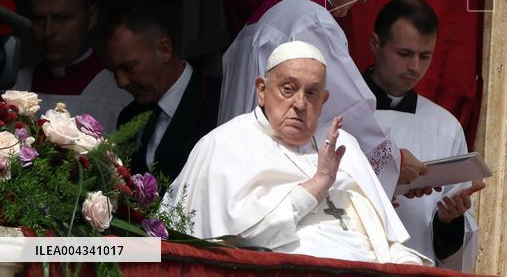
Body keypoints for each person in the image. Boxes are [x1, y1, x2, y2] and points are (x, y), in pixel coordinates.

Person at [167, 41, 430, 265]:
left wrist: (407, 263)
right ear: (261, 90)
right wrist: (317, 185)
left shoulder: (343, 144)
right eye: (288, 89)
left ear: (323, 100)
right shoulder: (225, 144)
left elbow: (381, 237)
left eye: (312, 93)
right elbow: (239, 243)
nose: (300, 104)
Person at [217, 0, 426, 196]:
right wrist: (393, 163)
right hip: (274, 183)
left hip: (235, 174)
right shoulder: (308, 19)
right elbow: (345, 110)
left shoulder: (267, 16)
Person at [365, 0, 483, 271]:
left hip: (417, 263)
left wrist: (449, 222)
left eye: (425, 56)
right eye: (404, 54)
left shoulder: (444, 126)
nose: (415, 67)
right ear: (375, 44)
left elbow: (456, 247)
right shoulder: (340, 110)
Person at [97, 5, 220, 181]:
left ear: (164, 49)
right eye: (113, 72)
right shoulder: (129, 116)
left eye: (129, 67)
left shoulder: (219, 101)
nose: (121, 82)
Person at [13, 0, 131, 130]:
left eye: (62, 18)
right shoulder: (13, 86)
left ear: (91, 17)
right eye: (39, 19)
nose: (48, 32)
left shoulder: (121, 94)